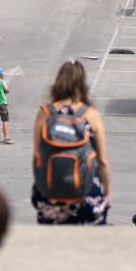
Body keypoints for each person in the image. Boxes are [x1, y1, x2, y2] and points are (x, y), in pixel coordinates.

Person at [31, 62, 111, 225]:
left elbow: (37, 155)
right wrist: (107, 192)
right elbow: (102, 161)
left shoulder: (45, 113)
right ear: (82, 84)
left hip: (51, 194)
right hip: (86, 194)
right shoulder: (91, 115)